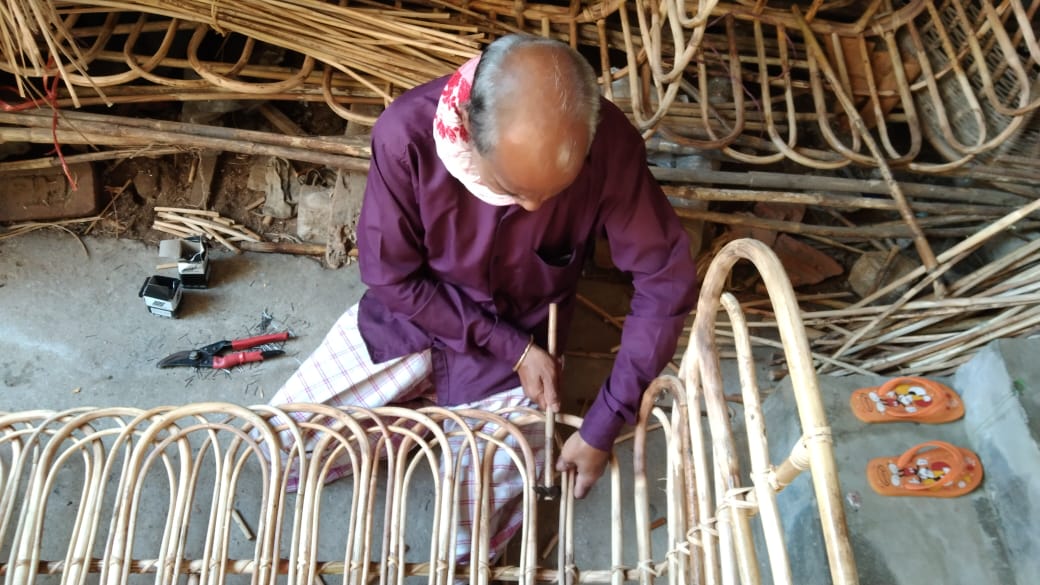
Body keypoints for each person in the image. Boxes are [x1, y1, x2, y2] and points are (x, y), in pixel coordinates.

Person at [266, 33, 698, 564]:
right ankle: (424, 416)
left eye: (554, 193)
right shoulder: (408, 134)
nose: (536, 208)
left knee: (465, 547)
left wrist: (604, 422)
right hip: (418, 317)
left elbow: (665, 281)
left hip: (527, 342)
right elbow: (391, 276)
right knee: (278, 442)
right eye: (515, 190)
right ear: (469, 131)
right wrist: (506, 344)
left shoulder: (610, 147)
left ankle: (426, 421)